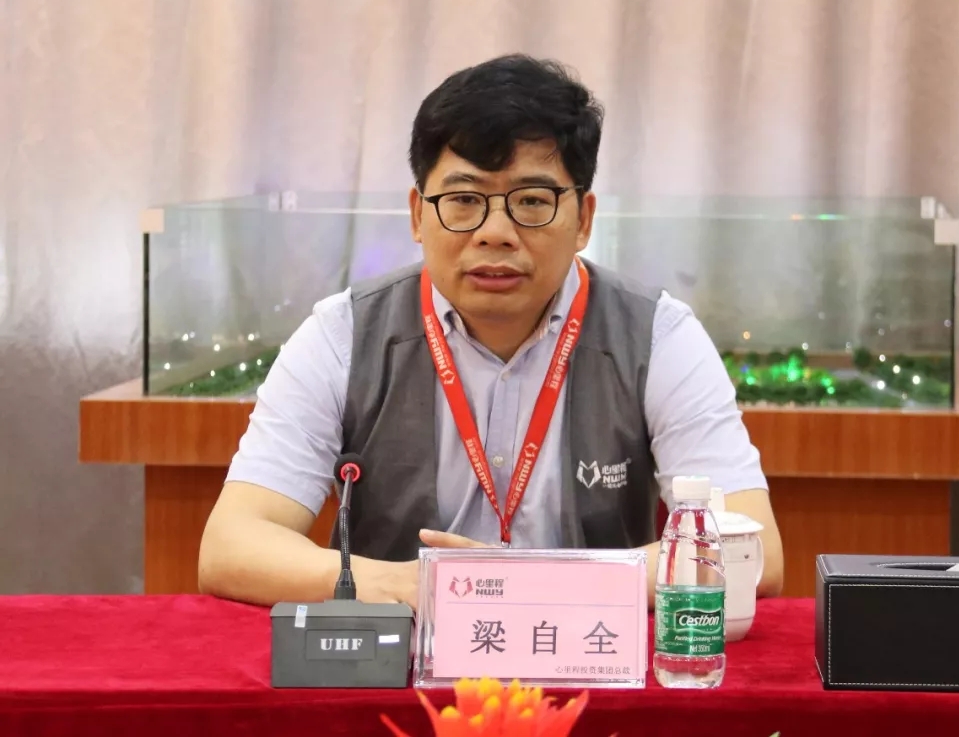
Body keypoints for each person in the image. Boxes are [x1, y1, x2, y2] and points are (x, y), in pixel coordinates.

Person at [199, 54, 784, 609]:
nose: (495, 232)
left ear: (583, 219)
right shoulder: (342, 335)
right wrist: (401, 584)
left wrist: (525, 589)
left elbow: (748, 551)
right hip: (401, 660)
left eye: (531, 201)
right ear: (418, 215)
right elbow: (232, 546)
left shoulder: (657, 336)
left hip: (590, 656)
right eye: (464, 199)